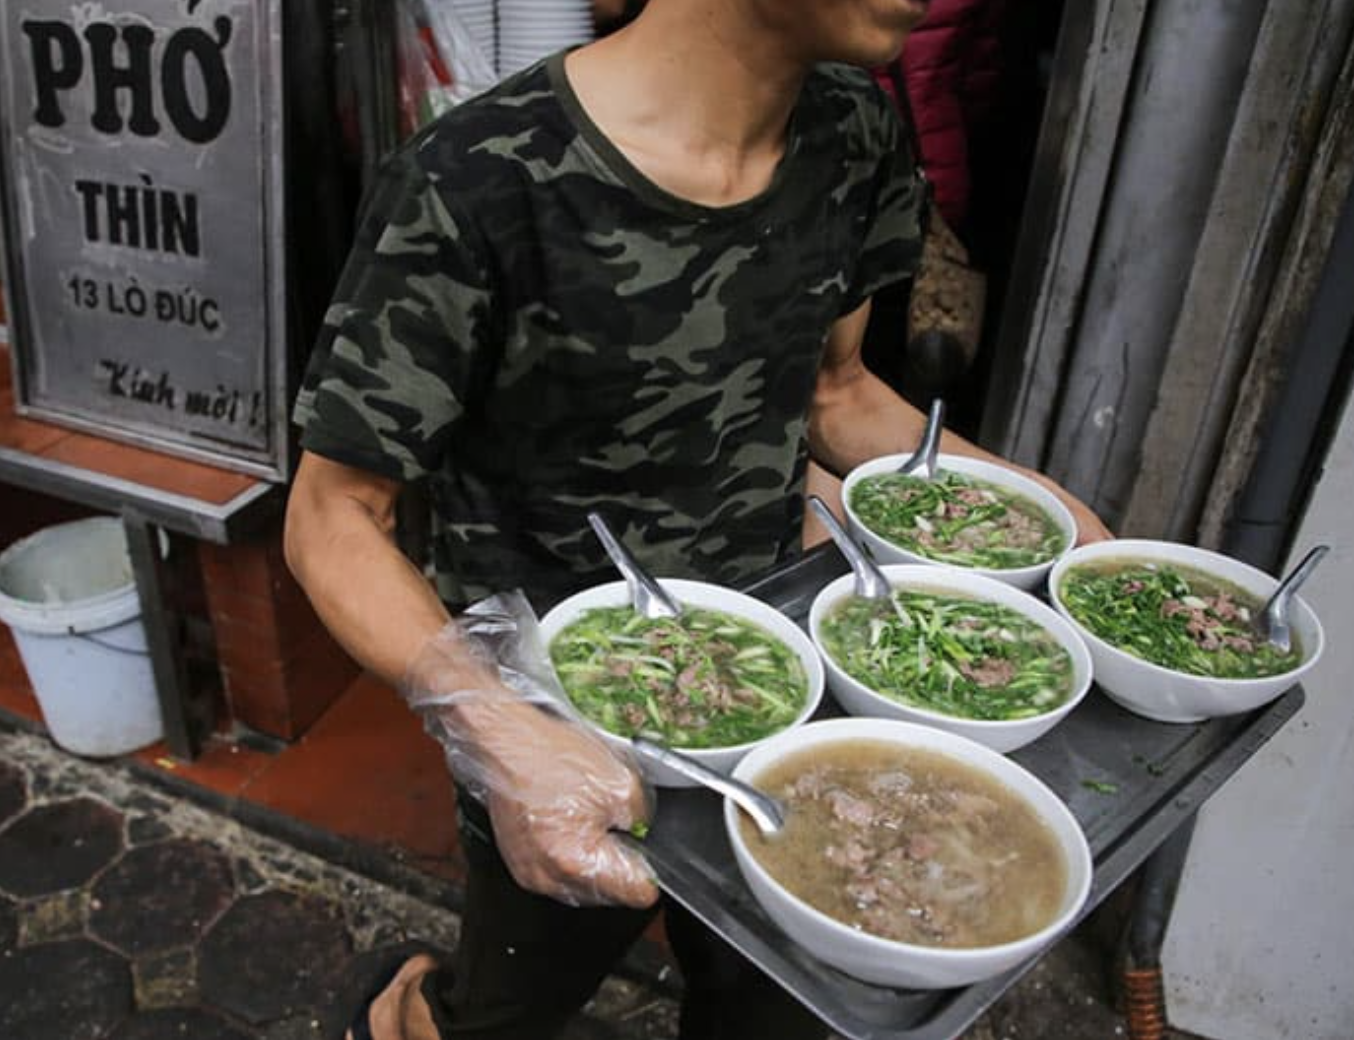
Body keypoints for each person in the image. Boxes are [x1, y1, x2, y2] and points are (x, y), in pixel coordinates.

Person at [285, 1, 1113, 1037]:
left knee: (771, 1009)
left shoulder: (855, 129)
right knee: (502, 1011)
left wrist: (1042, 523)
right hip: (560, 717)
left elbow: (837, 393)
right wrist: (500, 732)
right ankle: (396, 1005)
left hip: (772, 680)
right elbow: (332, 515)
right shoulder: (477, 176)